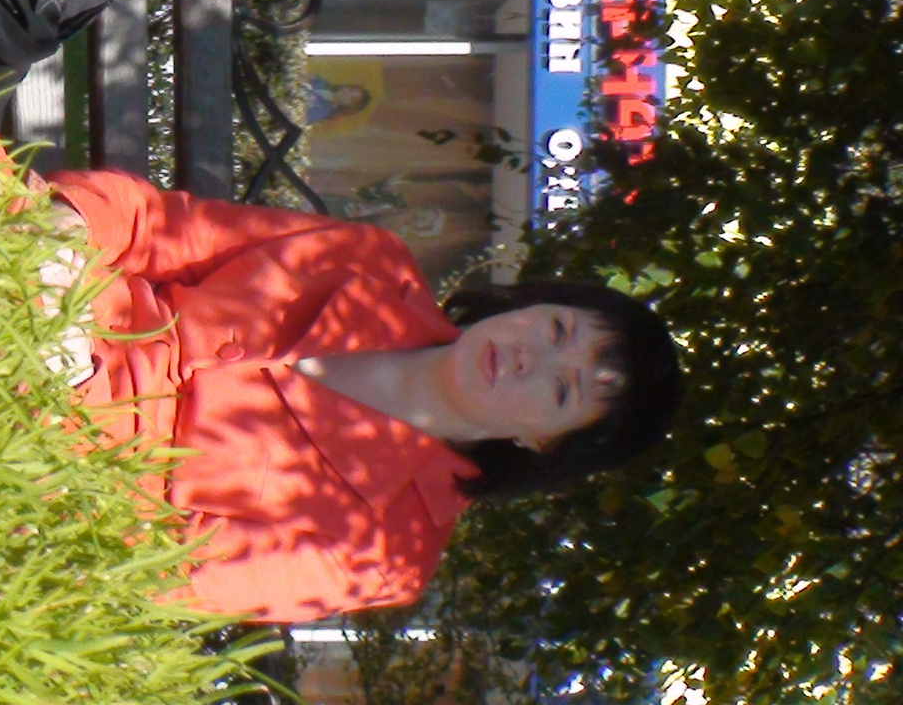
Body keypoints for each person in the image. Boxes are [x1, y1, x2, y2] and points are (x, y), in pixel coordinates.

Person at [34, 168, 682, 623]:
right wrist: (66, 232)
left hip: (32, 458)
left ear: (543, 444)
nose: (529, 356)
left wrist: (62, 395)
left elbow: (143, 570)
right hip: (46, 283)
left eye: (561, 389)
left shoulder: (388, 553)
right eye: (557, 329)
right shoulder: (371, 260)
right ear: (534, 303)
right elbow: (154, 224)